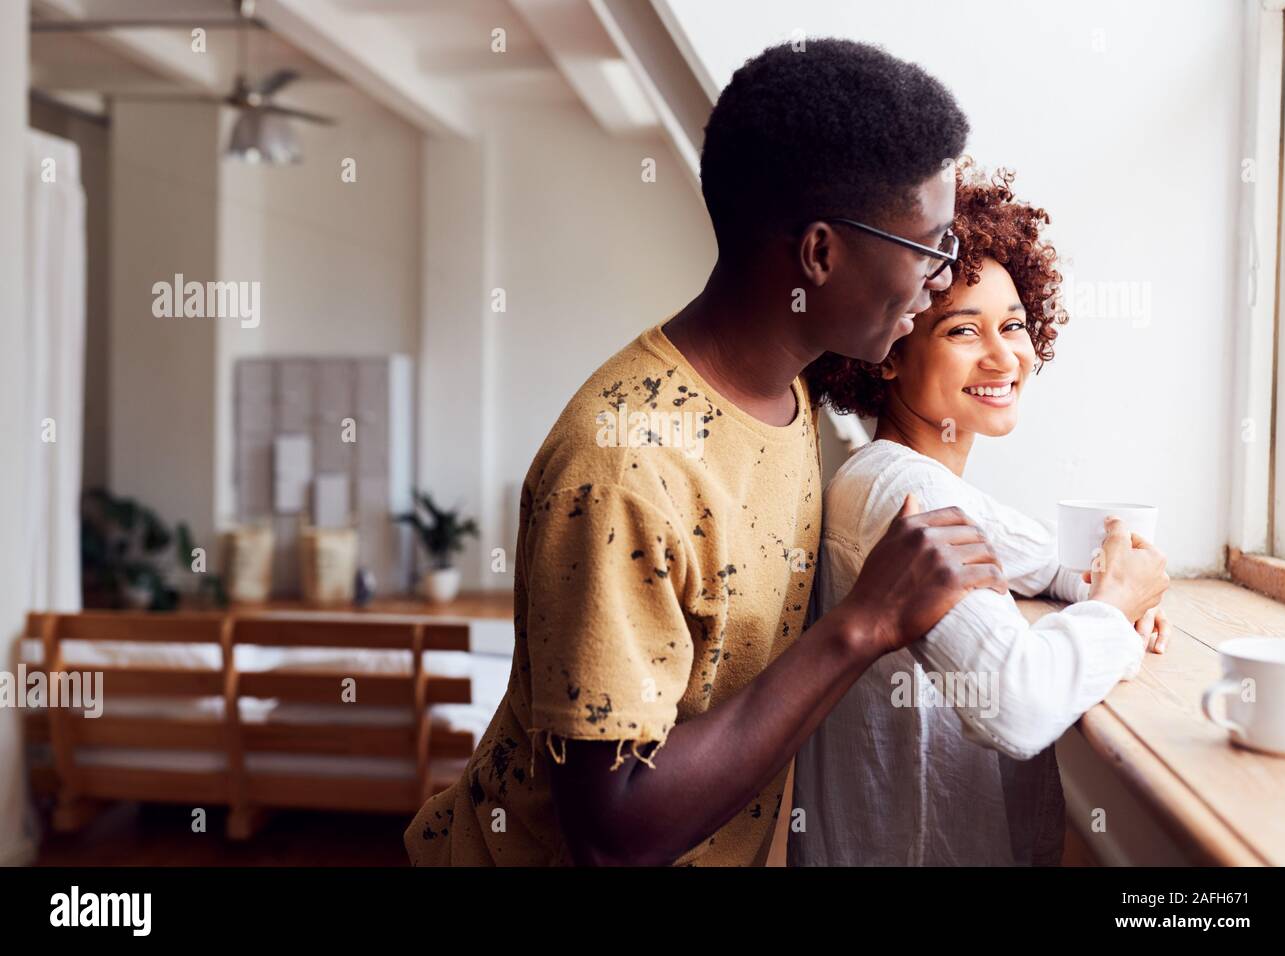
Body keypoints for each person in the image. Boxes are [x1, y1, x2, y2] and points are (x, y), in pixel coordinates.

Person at [403, 38, 1005, 866]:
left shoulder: (788, 387)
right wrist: (863, 625)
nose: (940, 280)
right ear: (820, 254)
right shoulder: (622, 467)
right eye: (928, 248)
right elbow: (612, 833)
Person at [791, 163, 1171, 866]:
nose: (1006, 356)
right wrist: (1116, 607)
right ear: (889, 352)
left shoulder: (905, 477)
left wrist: (1112, 591)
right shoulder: (903, 492)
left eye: (1015, 324)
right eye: (964, 330)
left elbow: (1047, 559)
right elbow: (1018, 705)